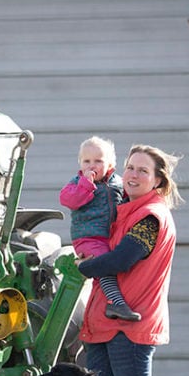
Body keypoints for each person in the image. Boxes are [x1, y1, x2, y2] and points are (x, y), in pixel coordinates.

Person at [33, 144, 183, 376]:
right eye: (130, 168)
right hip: (103, 325)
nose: (132, 175)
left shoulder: (150, 216)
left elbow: (122, 259)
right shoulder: (123, 211)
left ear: (159, 180)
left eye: (142, 171)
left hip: (130, 328)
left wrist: (76, 266)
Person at [59, 136, 140, 322]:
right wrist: (86, 185)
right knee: (105, 267)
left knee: (118, 268)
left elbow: (129, 199)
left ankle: (100, 311)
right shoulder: (78, 182)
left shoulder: (118, 183)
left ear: (111, 163)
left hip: (110, 237)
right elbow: (69, 200)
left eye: (98, 161)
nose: (91, 166)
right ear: (80, 163)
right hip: (88, 238)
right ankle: (116, 303)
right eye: (86, 161)